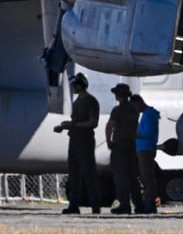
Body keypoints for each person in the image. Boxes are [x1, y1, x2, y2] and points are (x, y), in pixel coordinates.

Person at [54, 72, 100, 214]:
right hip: (74, 140)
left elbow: (93, 122)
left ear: (80, 86)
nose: (73, 88)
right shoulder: (78, 101)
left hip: (85, 141)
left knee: (89, 173)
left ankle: (95, 205)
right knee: (74, 174)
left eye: (74, 85)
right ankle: (74, 205)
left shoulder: (91, 101)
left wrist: (74, 125)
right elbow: (76, 122)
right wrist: (65, 126)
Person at [105, 83, 143, 215]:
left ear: (118, 95)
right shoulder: (134, 109)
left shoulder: (118, 110)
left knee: (120, 176)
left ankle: (124, 205)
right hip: (131, 145)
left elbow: (110, 126)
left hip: (119, 146)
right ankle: (139, 205)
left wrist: (109, 141)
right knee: (133, 177)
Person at [131, 93, 160, 214]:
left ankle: (149, 203)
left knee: (147, 176)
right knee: (144, 176)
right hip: (143, 148)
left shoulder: (148, 115)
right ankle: (147, 200)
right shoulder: (147, 114)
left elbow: (146, 132)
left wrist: (133, 134)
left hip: (145, 149)